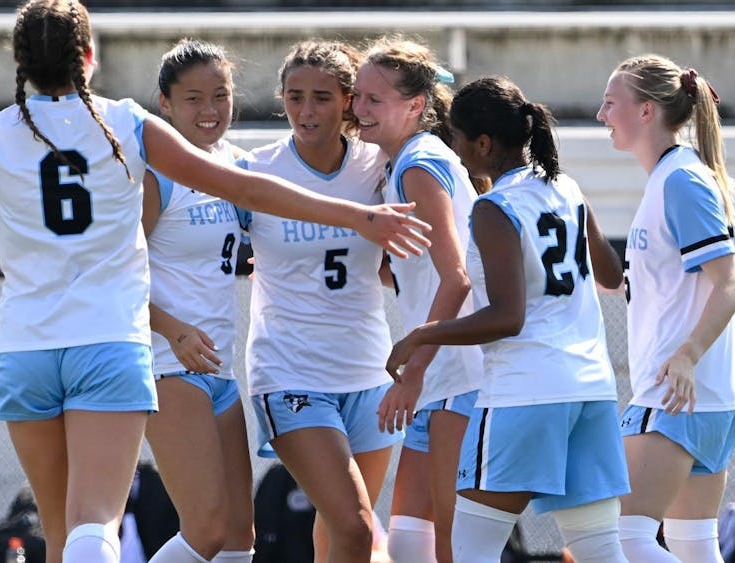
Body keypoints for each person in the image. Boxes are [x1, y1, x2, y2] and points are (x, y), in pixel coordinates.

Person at [0, 2, 430, 561]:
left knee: (79, 535)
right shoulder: (125, 122)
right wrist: (360, 216)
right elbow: (248, 192)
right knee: (98, 525)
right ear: (89, 57)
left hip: (28, 348)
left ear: (20, 61)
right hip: (115, 345)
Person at [387, 76, 631, 563]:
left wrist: (421, 335)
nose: (452, 150)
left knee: (469, 551)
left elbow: (507, 317)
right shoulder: (566, 186)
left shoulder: (494, 207)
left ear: (482, 143)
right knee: (603, 552)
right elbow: (610, 272)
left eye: (455, 138)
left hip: (525, 394)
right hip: (591, 391)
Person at [239, 41, 400, 563]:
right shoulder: (253, 170)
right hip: (291, 373)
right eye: (294, 97)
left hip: (369, 372)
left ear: (349, 100)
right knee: (355, 528)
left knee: (340, 534)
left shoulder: (379, 166)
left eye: (322, 98)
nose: (306, 112)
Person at [596, 54, 735, 563]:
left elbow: (730, 285)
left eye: (611, 103)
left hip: (675, 398)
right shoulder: (670, 178)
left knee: (623, 541)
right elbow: (655, 287)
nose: (601, 115)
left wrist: (686, 354)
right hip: (700, 398)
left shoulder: (681, 180)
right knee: (691, 547)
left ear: (646, 112)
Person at [350, 37, 484, 563]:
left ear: (416, 107)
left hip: (461, 378)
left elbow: (457, 280)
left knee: (455, 543)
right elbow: (421, 273)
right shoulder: (399, 163)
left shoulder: (418, 165)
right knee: (407, 542)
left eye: (373, 100)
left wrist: (413, 372)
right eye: (357, 96)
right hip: (441, 382)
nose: (358, 109)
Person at [139, 39, 253, 563]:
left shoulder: (236, 165)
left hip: (220, 368)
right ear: (164, 103)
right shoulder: (155, 171)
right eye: (193, 99)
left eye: (220, 95)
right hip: (169, 367)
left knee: (237, 540)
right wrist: (173, 330)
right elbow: (110, 279)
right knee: (204, 531)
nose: (209, 112)